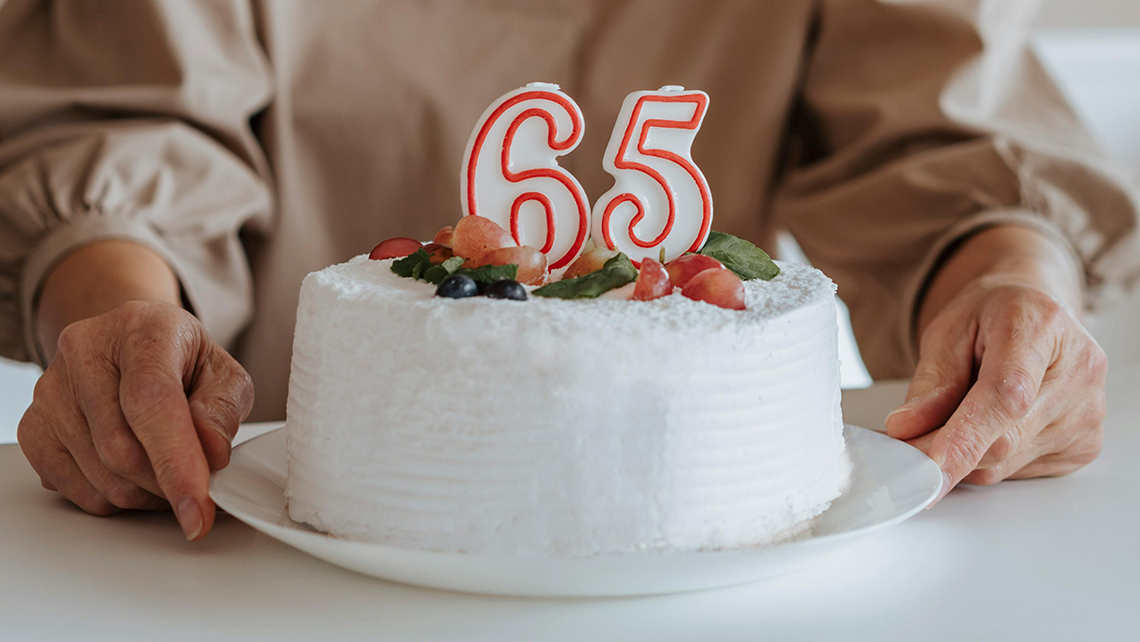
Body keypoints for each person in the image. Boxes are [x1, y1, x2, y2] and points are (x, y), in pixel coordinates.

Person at [2, 0, 1135, 541]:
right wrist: (122, 322)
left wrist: (1010, 288)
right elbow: (129, 123)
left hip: (718, 564)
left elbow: (933, 135)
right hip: (272, 552)